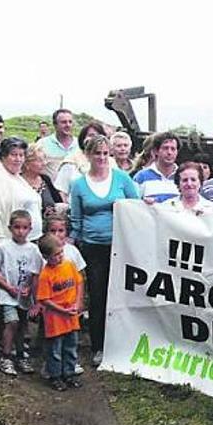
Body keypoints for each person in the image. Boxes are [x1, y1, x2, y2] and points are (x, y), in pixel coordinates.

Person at [69, 136, 139, 367]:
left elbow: (136, 206)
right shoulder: (79, 184)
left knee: (121, 295)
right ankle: (98, 346)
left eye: (105, 153)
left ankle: (121, 344)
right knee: (98, 296)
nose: (101, 158)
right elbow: (76, 217)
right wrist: (74, 243)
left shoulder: (121, 178)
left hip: (121, 246)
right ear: (88, 155)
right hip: (93, 246)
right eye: (97, 153)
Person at [0, 137, 41, 320]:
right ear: (3, 156)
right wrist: (3, 249)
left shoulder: (15, 175)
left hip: (19, 246)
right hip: (2, 248)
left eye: (21, 155)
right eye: (13, 155)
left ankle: (14, 335)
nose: (18, 159)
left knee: (14, 294)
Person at [0, 209, 44, 376]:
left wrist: (31, 292)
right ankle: (5, 356)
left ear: (30, 229)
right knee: (12, 322)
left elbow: (36, 274)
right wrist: (7, 287)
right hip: (7, 295)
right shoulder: (3, 248)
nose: (21, 231)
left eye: (24, 228)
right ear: (10, 228)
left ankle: (20, 355)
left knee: (22, 327)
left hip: (24, 297)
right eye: (17, 227)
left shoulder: (33, 250)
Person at [36, 235, 84, 391]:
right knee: (55, 349)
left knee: (71, 346)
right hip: (55, 319)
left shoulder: (69, 265)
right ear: (46, 257)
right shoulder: (46, 275)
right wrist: (62, 310)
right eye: (56, 255)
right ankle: (55, 376)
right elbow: (44, 299)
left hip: (71, 316)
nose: (59, 257)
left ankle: (68, 374)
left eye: (61, 253)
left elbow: (78, 282)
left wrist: (77, 303)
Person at [53, 121, 108, 200]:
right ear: (83, 139)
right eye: (91, 135)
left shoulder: (110, 162)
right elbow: (62, 191)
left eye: (98, 136)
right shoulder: (71, 162)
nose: (94, 140)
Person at [21, 143, 64, 231]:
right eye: (39, 160)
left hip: (49, 231)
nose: (44, 163)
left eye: (44, 160)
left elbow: (58, 201)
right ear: (27, 163)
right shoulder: (19, 182)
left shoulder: (45, 179)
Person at [133, 132, 180, 203]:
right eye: (165, 148)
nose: (169, 152)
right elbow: (133, 204)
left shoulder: (183, 177)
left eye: (173, 149)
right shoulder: (141, 177)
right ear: (156, 151)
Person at [38, 108, 78, 179]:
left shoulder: (80, 144)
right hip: (51, 189)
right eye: (64, 122)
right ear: (55, 124)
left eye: (70, 122)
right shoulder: (42, 144)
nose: (68, 125)